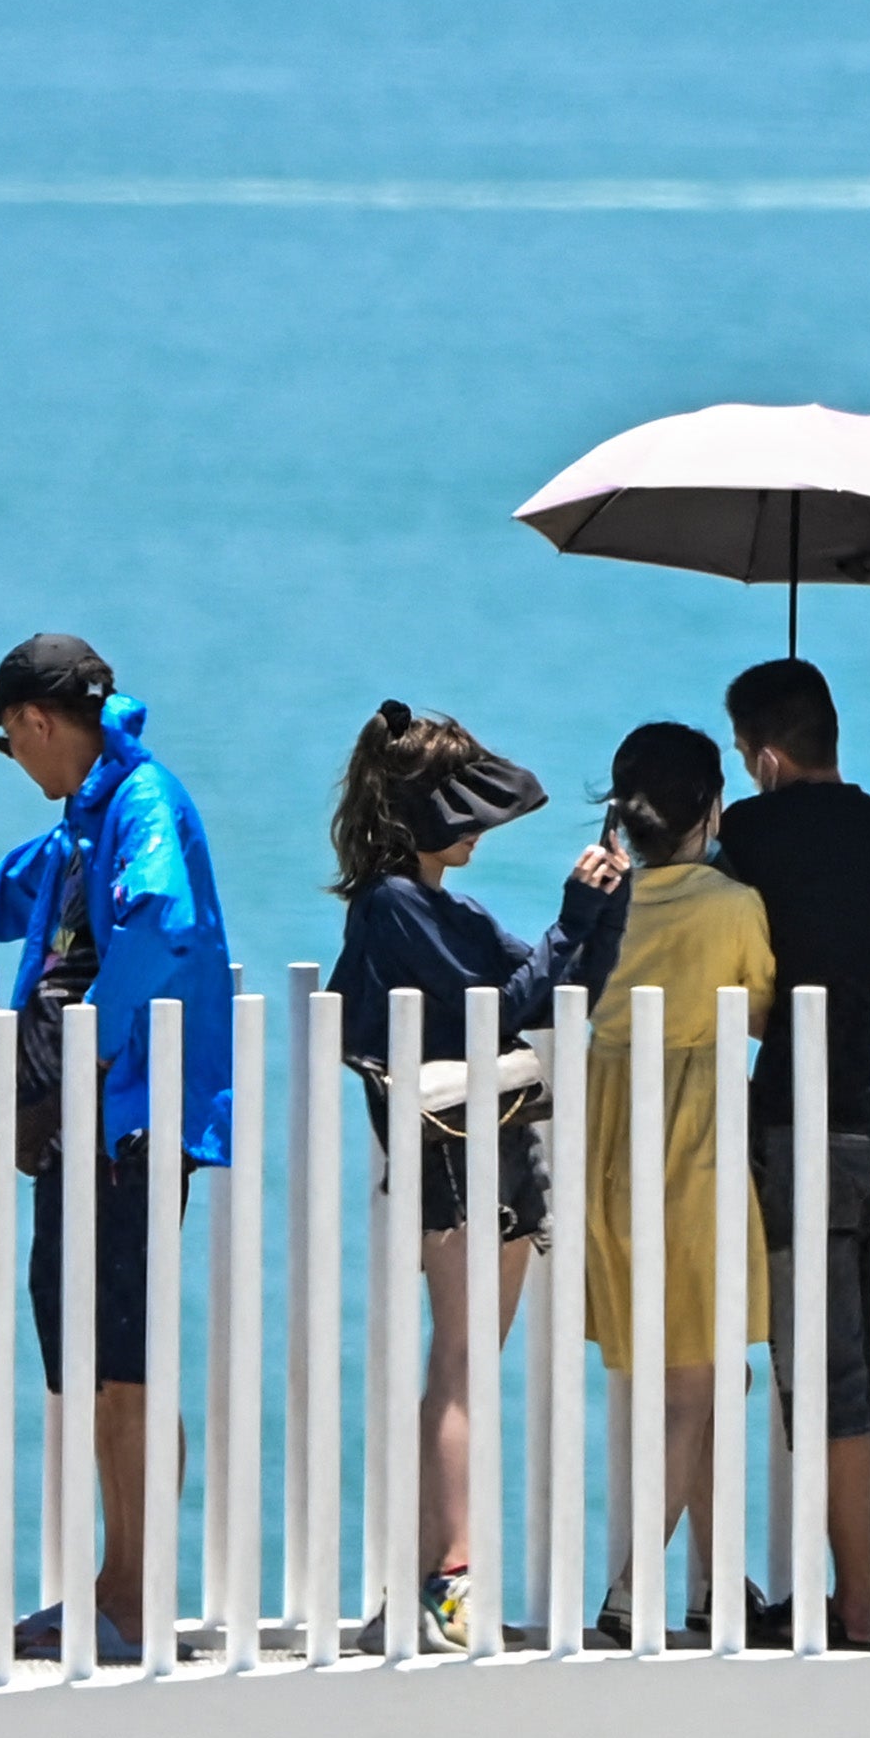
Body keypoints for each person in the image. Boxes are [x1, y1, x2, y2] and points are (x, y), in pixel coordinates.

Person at [0, 633, 235, 1666]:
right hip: (97, 1115)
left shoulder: (142, 804)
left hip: (130, 1115)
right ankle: (113, 1586)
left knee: (122, 1360)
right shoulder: (86, 822)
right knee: (85, 1353)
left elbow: (163, 921)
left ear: (34, 722)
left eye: (7, 742)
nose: (15, 759)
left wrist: (91, 1046)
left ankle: (133, 1591)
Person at [712, 655, 870, 1647]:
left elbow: (735, 956)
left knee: (830, 1378)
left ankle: (853, 1604)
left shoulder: (749, 832)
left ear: (763, 754)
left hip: (802, 1127)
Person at [322, 701, 556, 1651]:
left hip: (476, 1159)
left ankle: (420, 1580)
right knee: (460, 1368)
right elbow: (515, 1000)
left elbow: (537, 983)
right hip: (465, 1167)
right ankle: (451, 1574)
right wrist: (584, 917)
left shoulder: (424, 908)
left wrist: (589, 922)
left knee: (459, 1370)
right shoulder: (401, 908)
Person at [573, 717, 778, 1646]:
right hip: (692, 1148)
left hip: (610, 1147)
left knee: (698, 1371)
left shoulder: (608, 902)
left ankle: (717, 1581)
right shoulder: (731, 906)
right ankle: (631, 1589)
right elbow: (769, 1004)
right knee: (697, 1381)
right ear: (713, 811)